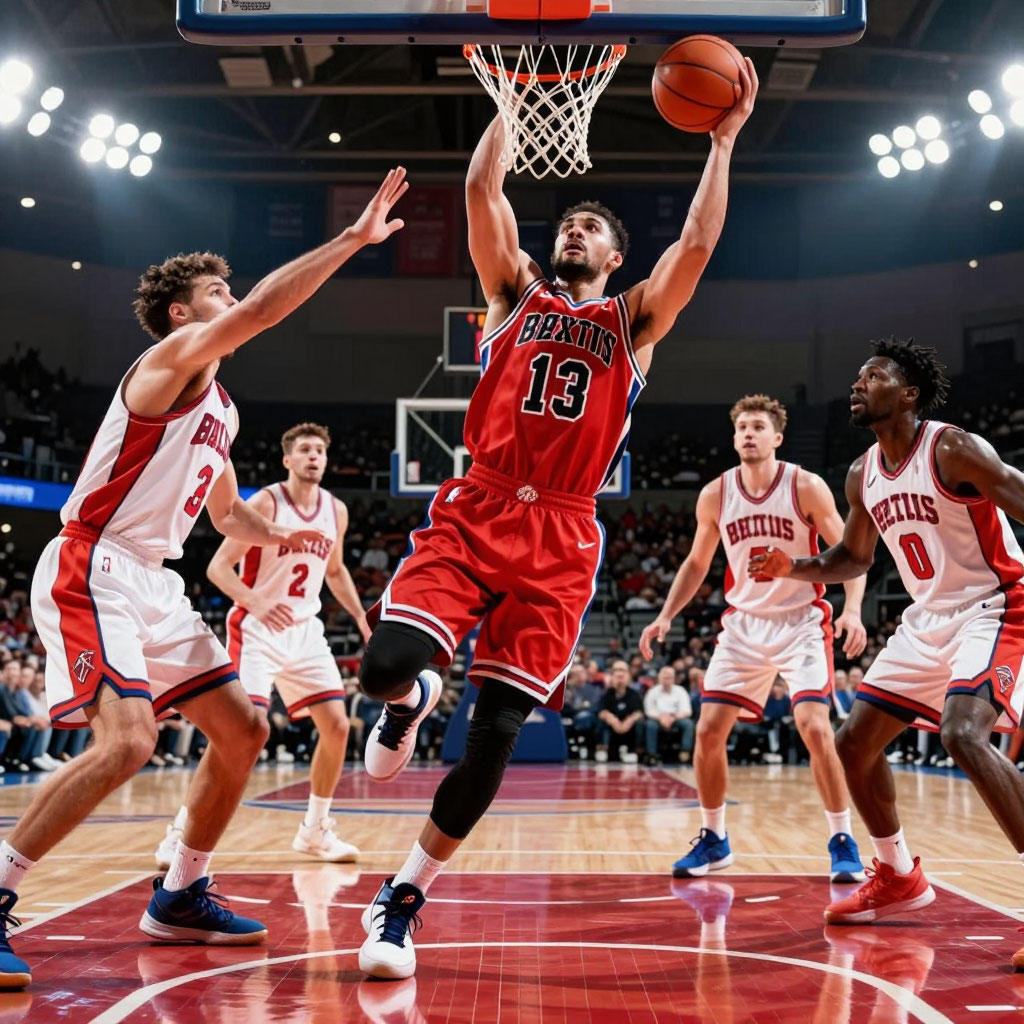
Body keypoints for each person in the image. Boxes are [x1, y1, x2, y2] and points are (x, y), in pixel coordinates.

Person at [355, 62, 759, 980]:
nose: (572, 229)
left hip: (564, 537)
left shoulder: (634, 323)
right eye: (567, 223)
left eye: (591, 228)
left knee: (494, 731)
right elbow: (479, 189)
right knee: (385, 667)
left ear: (614, 255)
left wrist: (723, 143)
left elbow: (695, 246)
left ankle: (403, 899)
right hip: (477, 505)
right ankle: (410, 699)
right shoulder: (512, 297)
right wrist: (508, 101)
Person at [0, 168, 408, 989]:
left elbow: (229, 518)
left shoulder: (216, 408)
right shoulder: (171, 358)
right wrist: (351, 242)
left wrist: (288, 533)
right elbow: (262, 311)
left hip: (154, 581)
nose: (233, 298)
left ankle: (180, 892)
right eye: (218, 289)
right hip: (95, 563)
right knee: (131, 743)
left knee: (243, 732)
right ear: (184, 313)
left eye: (229, 288)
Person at [750, 337, 1024, 966]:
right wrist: (792, 566)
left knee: (962, 734)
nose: (857, 382)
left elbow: (1016, 490)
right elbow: (853, 558)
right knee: (852, 743)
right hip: (927, 618)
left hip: (996, 602)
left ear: (907, 394)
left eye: (872, 376)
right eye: (856, 375)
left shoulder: (950, 447)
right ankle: (899, 873)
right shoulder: (861, 473)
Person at [640, 395, 868, 882]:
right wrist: (664, 617)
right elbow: (698, 564)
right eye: (742, 427)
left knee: (814, 727)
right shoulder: (715, 494)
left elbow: (848, 550)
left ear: (777, 437)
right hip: (743, 623)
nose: (748, 433)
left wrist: (852, 609)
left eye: (758, 427)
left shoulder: (804, 485)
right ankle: (715, 839)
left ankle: (842, 837)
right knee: (706, 732)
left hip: (801, 619)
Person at [153, 422, 370, 869]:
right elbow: (219, 567)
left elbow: (334, 571)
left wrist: (362, 617)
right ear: (287, 459)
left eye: (320, 451)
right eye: (305, 450)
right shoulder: (267, 501)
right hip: (256, 629)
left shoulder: (336, 510)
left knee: (337, 727)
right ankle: (180, 830)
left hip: (306, 630)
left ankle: (314, 830)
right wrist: (256, 602)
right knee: (239, 733)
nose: (314, 457)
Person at [643, 665, 694, 765]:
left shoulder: (681, 691)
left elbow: (687, 710)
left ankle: (685, 752)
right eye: (664, 677)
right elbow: (649, 710)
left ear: (674, 678)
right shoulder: (652, 692)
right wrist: (661, 718)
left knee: (688, 724)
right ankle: (652, 754)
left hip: (676, 718)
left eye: (669, 677)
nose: (667, 680)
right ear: (659, 678)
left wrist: (673, 718)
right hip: (658, 719)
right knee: (650, 725)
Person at [596, 659, 644, 764]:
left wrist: (629, 720)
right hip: (612, 729)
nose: (620, 674)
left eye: (623, 671)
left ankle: (633, 751)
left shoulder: (634, 694)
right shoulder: (606, 694)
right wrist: (612, 720)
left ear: (629, 676)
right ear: (612, 676)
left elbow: (639, 712)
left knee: (639, 723)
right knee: (600, 720)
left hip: (628, 729)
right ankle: (602, 749)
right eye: (616, 671)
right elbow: (601, 711)